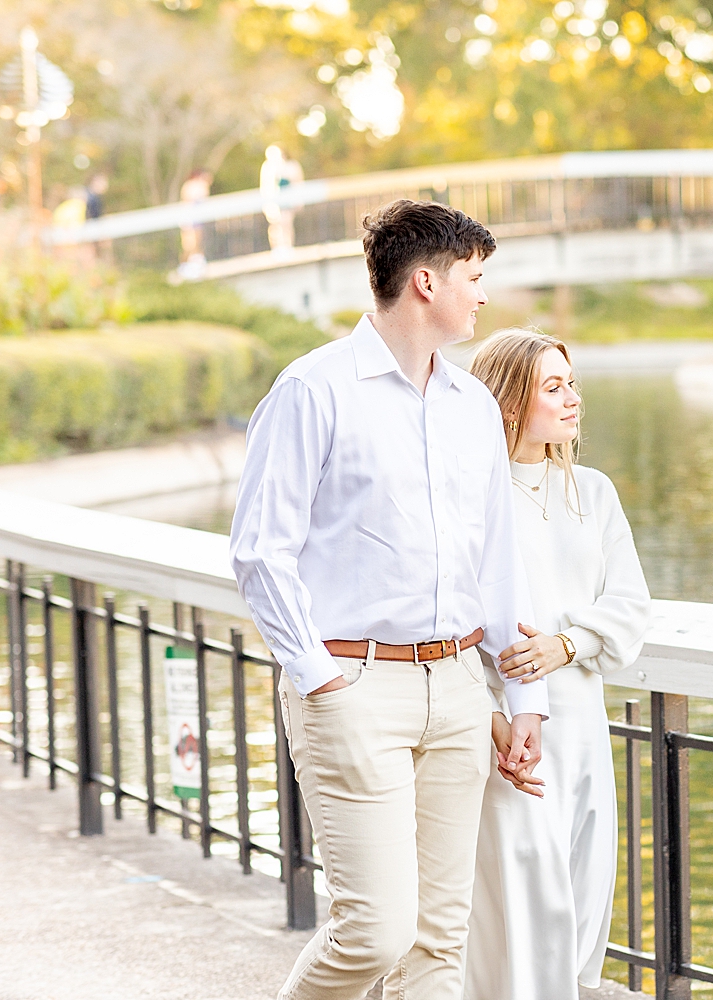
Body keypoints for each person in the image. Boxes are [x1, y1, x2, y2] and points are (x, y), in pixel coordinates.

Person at [230, 199, 548, 1000]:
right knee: (375, 929)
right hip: (354, 684)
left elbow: (497, 561)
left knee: (439, 944)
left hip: (458, 691)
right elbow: (261, 550)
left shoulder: (472, 406)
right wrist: (319, 679)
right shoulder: (313, 390)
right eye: (474, 279)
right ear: (426, 282)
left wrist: (524, 696)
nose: (483, 296)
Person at [464, 328, 652, 1000]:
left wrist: (566, 643)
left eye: (571, 383)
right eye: (554, 386)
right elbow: (454, 624)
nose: (574, 398)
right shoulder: (471, 498)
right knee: (519, 904)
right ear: (511, 401)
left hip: (582, 725)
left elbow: (630, 605)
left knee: (580, 893)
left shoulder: (593, 493)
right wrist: (493, 720)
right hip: (509, 736)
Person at [260, 145, 303, 254]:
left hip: (288, 200)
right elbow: (265, 186)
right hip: (273, 201)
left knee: (287, 223)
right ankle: (277, 248)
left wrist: (298, 200)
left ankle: (288, 246)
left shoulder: (291, 166)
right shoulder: (268, 167)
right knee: (275, 224)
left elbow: (297, 183)